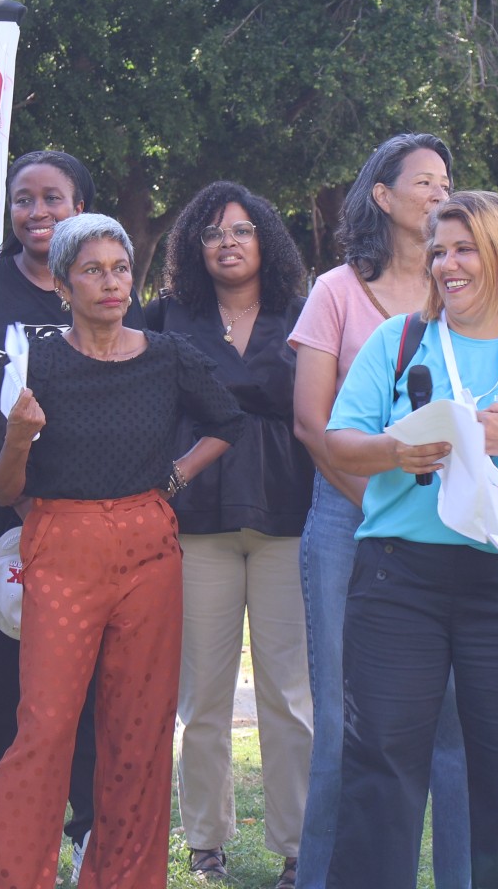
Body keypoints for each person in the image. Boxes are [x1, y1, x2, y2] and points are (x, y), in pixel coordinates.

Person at [323, 190, 498, 889]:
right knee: (381, 768)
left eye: (465, 250)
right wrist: (395, 451)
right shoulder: (398, 341)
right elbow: (340, 441)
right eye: (438, 252)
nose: (447, 265)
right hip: (398, 582)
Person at [0, 214, 244, 889]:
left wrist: (175, 477)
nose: (112, 283)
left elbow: (229, 420)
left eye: (120, 269)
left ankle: (124, 879)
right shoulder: (37, 363)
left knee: (140, 730)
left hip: (150, 550)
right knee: (46, 725)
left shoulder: (167, 356)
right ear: (63, 286)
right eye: (93, 270)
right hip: (62, 545)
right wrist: (18, 438)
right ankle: (5, 878)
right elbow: (2, 487)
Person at [0, 151, 141, 883]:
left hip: (88, 517)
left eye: (53, 198)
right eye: (23, 199)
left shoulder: (108, 284)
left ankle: (86, 830)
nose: (37, 212)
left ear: (80, 206)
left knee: (88, 679)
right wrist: (13, 484)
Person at [287, 132, 470, 889]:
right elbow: (311, 424)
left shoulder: (463, 290)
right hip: (349, 522)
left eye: (446, 181)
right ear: (383, 197)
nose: (439, 192)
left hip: (451, 526)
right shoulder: (335, 291)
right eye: (424, 181)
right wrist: (385, 511)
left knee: (455, 728)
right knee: (343, 724)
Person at [148, 181, 313, 889]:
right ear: (194, 246)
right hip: (199, 521)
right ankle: (204, 841)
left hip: (288, 516)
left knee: (290, 696)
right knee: (202, 696)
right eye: (213, 232)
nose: (227, 242)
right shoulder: (167, 316)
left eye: (242, 230)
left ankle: (298, 844)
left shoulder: (304, 314)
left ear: (265, 240)